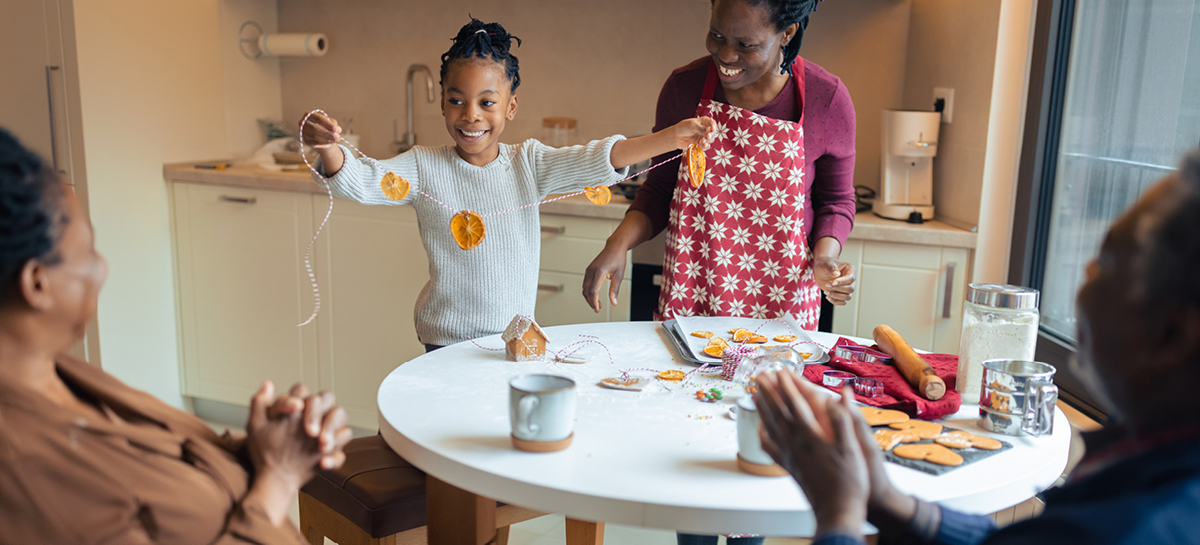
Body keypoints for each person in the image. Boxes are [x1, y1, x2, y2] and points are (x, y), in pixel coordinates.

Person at [753, 150, 1200, 545]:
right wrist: (890, 502)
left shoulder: (1137, 527)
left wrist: (839, 516)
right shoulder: (1154, 471)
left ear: (1171, 334)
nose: (1084, 273)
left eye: (1105, 264)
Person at [0, 127, 352, 543]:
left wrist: (260, 449)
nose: (103, 268)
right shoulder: (28, 472)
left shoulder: (56, 374)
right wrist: (277, 479)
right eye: (89, 251)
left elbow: (167, 479)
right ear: (37, 283)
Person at [301, 18, 716, 352]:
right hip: (443, 341)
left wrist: (669, 139)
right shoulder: (423, 166)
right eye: (456, 100)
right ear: (442, 101)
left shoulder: (527, 164)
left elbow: (596, 160)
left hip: (513, 339)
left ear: (510, 107)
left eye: (486, 102)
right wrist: (328, 149)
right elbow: (362, 181)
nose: (470, 115)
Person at [583, 0, 857, 328]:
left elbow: (836, 201)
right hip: (691, 296)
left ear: (787, 33)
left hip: (782, 307)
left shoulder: (825, 98)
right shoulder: (685, 88)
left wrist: (826, 258)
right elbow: (659, 188)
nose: (726, 55)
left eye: (746, 45)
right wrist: (618, 244)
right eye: (717, 35)